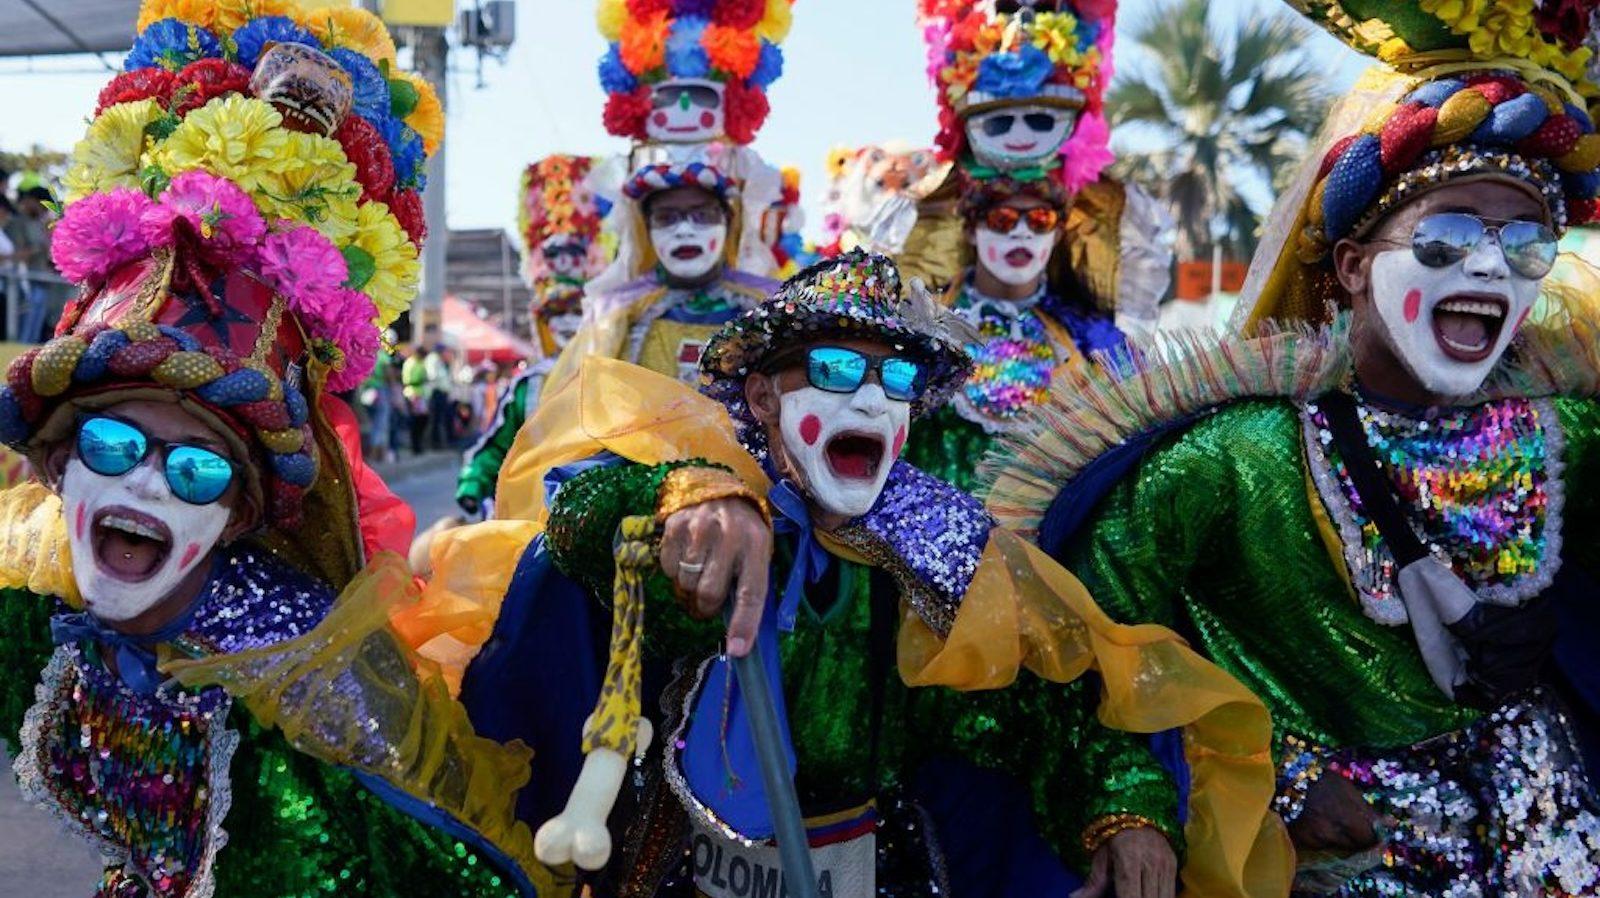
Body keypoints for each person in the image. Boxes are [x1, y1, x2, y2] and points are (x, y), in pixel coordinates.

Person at [403, 251, 1292, 897]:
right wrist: (689, 504)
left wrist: (1126, 810)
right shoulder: (711, 499)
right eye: (833, 369)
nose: (869, 398)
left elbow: (1046, 699)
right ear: (761, 398)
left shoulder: (936, 547)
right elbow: (582, 519)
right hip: (679, 871)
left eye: (896, 378)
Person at [987, 4, 1600, 894]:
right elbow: (1079, 643)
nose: (1487, 267)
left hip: (1556, 842)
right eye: (1449, 235)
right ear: (1352, 266)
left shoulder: (1564, 440)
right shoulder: (1234, 457)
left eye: (1525, 241)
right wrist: (1160, 800)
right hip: (1336, 862)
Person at [0, 2, 552, 895]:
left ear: (236, 515)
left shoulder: (308, 669)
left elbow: (457, 867)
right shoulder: (29, 573)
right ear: (57, 468)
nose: (145, 478)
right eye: (110, 442)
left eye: (195, 468)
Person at [458, 155, 609, 518]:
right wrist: (473, 484)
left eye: (576, 313)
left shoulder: (611, 373)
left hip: (596, 511)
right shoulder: (530, 383)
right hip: (531, 513)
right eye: (557, 314)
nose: (567, 323)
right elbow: (498, 446)